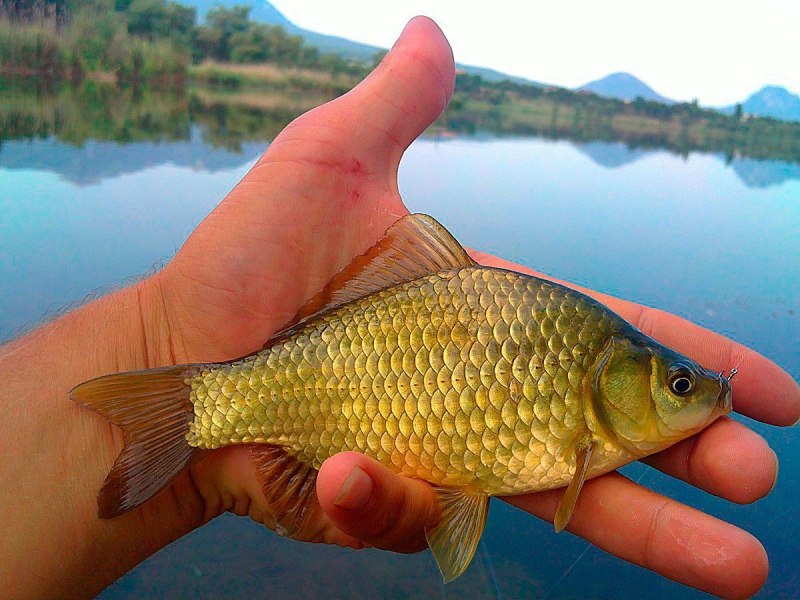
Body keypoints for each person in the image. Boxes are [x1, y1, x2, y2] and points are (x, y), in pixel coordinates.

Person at [0, 16, 797, 600]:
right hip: (316, 363)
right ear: (614, 377)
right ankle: (188, 409)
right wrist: (162, 334)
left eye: (680, 386)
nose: (689, 393)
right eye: (677, 385)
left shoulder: (581, 387)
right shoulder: (577, 374)